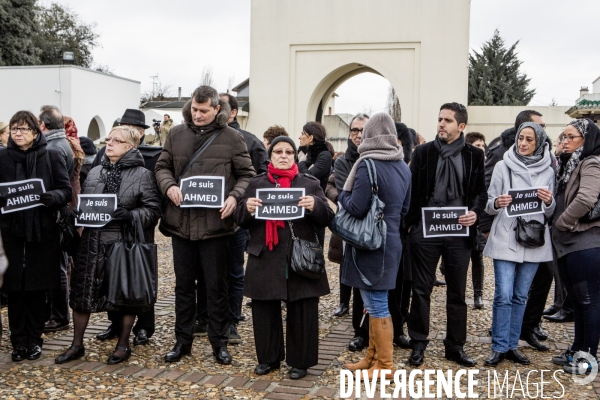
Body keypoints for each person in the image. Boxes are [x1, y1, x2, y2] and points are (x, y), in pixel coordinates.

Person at [155, 85, 255, 364]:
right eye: (194, 109)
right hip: (182, 224)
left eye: (203, 111)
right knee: (184, 287)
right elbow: (161, 167)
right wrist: (169, 186)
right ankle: (182, 342)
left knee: (216, 287)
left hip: (216, 226)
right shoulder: (176, 134)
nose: (197, 115)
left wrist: (235, 197)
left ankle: (219, 343)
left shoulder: (233, 138)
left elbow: (247, 174)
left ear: (217, 109)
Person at [55, 126, 161, 365]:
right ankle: (76, 345)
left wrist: (130, 215)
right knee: (82, 294)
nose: (109, 143)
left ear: (130, 147)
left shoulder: (143, 174)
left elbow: (153, 210)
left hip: (122, 243)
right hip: (92, 242)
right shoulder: (95, 171)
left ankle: (123, 345)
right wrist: (76, 215)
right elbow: (87, 203)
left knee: (125, 295)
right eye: (108, 139)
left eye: (117, 140)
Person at [234, 135, 333, 379]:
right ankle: (269, 358)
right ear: (271, 155)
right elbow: (239, 220)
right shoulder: (257, 183)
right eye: (278, 151)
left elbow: (328, 217)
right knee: (264, 308)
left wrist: (315, 206)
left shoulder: (308, 183)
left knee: (302, 309)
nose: (283, 156)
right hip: (265, 254)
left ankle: (301, 362)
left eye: (289, 152)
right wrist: (246, 208)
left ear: (294, 156)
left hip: (299, 256)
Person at [406, 103, 486, 367]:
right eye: (440, 119)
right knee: (420, 290)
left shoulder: (474, 155)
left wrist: (475, 213)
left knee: (457, 293)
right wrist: (412, 226)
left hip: (459, 232)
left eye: (448, 120)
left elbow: (480, 193)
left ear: (461, 126)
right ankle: (418, 344)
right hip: (426, 230)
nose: (441, 124)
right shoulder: (423, 152)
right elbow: (412, 190)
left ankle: (455, 346)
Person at [340, 113, 411, 379]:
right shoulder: (403, 165)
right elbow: (405, 208)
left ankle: (385, 364)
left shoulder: (366, 163)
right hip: (390, 240)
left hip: (370, 243)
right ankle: (372, 357)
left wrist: (343, 195)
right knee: (373, 303)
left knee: (378, 305)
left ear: (369, 135)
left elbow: (356, 207)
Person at [194, 93, 269, 344]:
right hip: (204, 217)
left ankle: (232, 321)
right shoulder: (197, 135)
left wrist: (241, 200)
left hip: (235, 219)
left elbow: (260, 177)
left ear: (231, 112)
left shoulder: (248, 141)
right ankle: (204, 317)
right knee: (204, 271)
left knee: (235, 271)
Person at [479, 110, 555, 350]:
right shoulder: (503, 166)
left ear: (539, 143)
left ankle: (512, 345)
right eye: (521, 138)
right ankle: (499, 347)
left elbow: (550, 211)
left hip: (534, 240)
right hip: (506, 238)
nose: (523, 143)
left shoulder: (549, 170)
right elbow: (488, 205)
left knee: (521, 296)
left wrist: (549, 201)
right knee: (503, 295)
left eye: (529, 140)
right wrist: (497, 203)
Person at [0, 111, 72, 362]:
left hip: (42, 233)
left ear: (35, 132)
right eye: (14, 129)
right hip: (11, 233)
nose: (18, 133)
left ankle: (34, 339)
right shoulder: (2, 158)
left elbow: (66, 189)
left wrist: (54, 198)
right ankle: (18, 341)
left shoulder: (51, 156)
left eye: (23, 129)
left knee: (37, 289)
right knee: (15, 290)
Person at [93, 109, 162, 346]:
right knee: (112, 278)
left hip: (136, 230)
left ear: (142, 133)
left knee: (138, 278)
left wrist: (131, 216)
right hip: (107, 231)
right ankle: (115, 324)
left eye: (137, 127)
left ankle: (143, 327)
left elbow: (153, 205)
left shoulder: (151, 157)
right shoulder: (105, 154)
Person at [550, 118, 600, 375]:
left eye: (571, 137)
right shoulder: (570, 164)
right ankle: (577, 350)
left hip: (586, 244)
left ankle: (588, 359)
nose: (565, 141)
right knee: (580, 303)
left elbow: (586, 198)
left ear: (586, 139)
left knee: (589, 302)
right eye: (564, 136)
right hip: (570, 244)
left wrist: (562, 222)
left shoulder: (591, 162)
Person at [327, 114, 371, 353]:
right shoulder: (344, 161)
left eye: (362, 129)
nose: (357, 134)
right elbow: (352, 194)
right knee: (355, 281)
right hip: (354, 227)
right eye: (353, 129)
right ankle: (359, 332)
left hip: (377, 227)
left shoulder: (377, 156)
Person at [38, 105, 75, 334]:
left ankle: (59, 316)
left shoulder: (52, 148)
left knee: (57, 268)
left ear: (43, 125)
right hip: (60, 212)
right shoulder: (63, 143)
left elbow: (62, 185)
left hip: (56, 213)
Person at [465, 131, 487, 309]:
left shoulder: (486, 165)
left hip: (478, 218)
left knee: (477, 257)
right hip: (463, 217)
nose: (482, 148)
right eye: (478, 145)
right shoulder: (465, 163)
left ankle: (478, 294)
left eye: (483, 145)